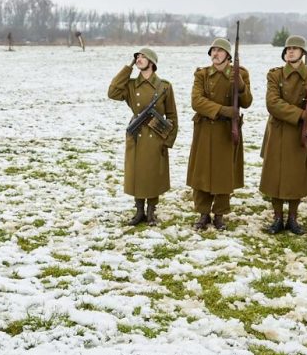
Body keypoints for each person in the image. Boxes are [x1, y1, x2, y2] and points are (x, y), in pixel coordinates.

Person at [259, 35, 307, 234]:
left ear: (303, 53)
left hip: (301, 134)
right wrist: (300, 114)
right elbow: (272, 103)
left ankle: (293, 219)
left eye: (295, 48)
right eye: (288, 48)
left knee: (297, 176)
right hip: (279, 131)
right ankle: (278, 218)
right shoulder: (275, 75)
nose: (290, 51)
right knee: (276, 175)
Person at [187, 38, 253, 231]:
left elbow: (247, 102)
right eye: (213, 50)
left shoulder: (240, 73)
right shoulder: (202, 75)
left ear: (228, 55)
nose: (215, 54)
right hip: (205, 129)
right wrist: (223, 110)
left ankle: (220, 215)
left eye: (219, 51)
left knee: (224, 174)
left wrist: (240, 86)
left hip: (227, 131)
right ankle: (203, 213)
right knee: (202, 173)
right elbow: (196, 101)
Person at [108, 48, 178, 226]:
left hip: (156, 134)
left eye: (142, 57)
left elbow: (172, 115)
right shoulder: (131, 85)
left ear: (152, 62)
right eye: (136, 57)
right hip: (136, 134)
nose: (138, 59)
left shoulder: (164, 86)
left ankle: (151, 212)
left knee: (153, 173)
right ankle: (139, 211)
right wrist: (128, 68)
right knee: (137, 173)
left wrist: (168, 141)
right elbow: (112, 92)